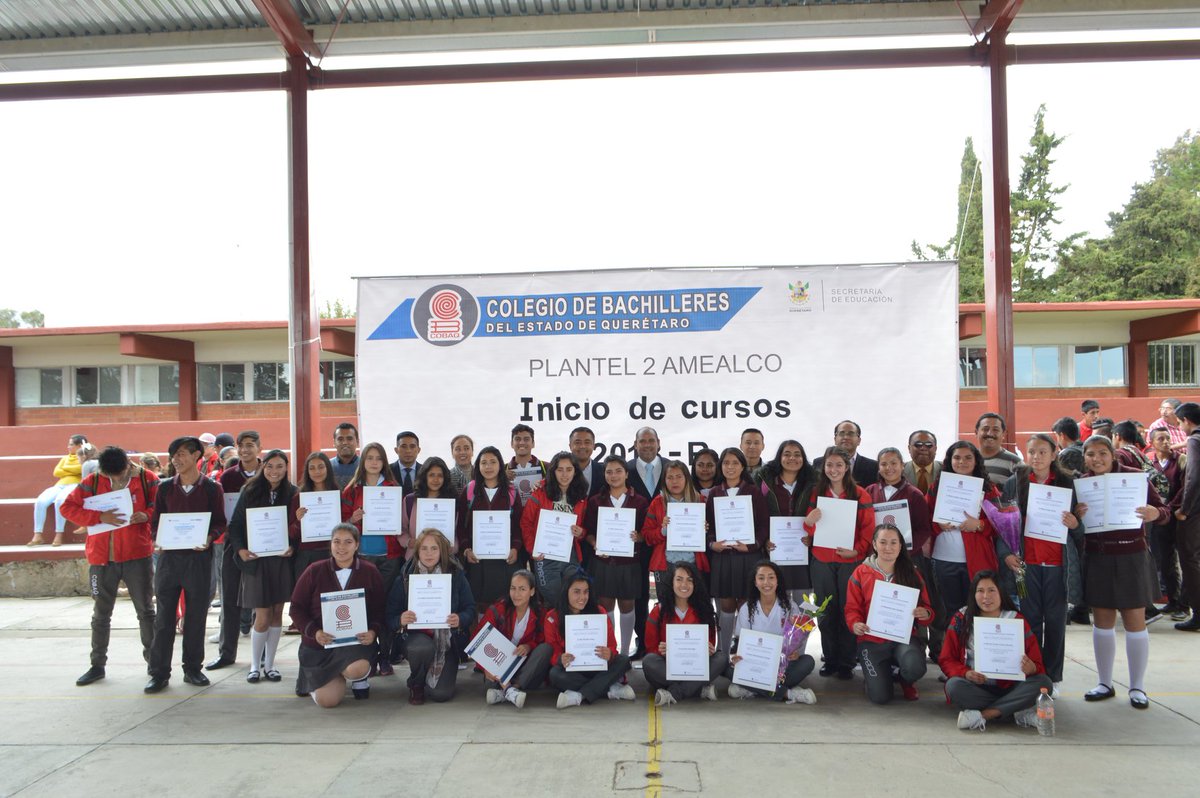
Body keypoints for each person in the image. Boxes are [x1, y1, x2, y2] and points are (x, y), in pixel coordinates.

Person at [1077, 434, 1168, 709]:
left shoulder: (1136, 477)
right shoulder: (1082, 484)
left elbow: (1164, 509)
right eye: (1091, 454)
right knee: (1102, 621)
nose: (1097, 459)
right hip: (1098, 557)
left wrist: (1155, 514)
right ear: (1085, 457)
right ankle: (1104, 682)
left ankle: (1137, 686)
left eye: (1102, 453)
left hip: (1131, 556)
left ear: (1112, 454)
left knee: (1134, 621)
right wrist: (1076, 515)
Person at [60, 446, 158, 686]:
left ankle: (155, 665)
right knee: (101, 615)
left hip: (137, 555)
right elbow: (67, 507)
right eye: (110, 476)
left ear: (128, 464)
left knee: (145, 612)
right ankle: (97, 665)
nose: (115, 479)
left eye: (119, 474)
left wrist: (146, 514)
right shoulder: (92, 481)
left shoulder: (148, 479)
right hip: (102, 558)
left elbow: (162, 506)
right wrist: (98, 518)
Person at [998, 434, 1081, 696]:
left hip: (1058, 566)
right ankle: (1035, 673)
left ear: (1054, 454)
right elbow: (1002, 524)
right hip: (1027, 567)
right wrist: (1007, 554)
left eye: (1042, 452)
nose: (1036, 457)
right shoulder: (1015, 483)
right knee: (1030, 621)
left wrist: (1075, 524)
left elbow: (1081, 530)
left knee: (1055, 622)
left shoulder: (1069, 484)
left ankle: (1053, 677)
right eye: (1032, 452)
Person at [145, 436, 226, 694]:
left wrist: (209, 538)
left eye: (181, 454)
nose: (176, 459)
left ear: (196, 457)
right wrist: (158, 538)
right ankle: (158, 673)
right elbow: (155, 522)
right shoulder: (165, 488)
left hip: (199, 560)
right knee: (164, 618)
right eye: (174, 455)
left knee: (196, 618)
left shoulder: (212, 488)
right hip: (169, 560)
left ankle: (192, 668)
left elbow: (219, 523)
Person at [940, 571, 1053, 731]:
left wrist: (1032, 668)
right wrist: (965, 673)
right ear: (973, 594)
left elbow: (1037, 665)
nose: (986, 596)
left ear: (1001, 592)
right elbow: (946, 659)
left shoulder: (1016, 620)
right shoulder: (961, 618)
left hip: (1012, 687)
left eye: (992, 590)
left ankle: (984, 715)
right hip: (977, 688)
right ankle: (1015, 710)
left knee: (1044, 683)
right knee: (953, 686)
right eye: (980, 591)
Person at [289, 523, 386, 705]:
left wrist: (373, 631)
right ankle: (315, 678)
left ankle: (357, 678)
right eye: (337, 542)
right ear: (330, 544)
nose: (341, 547)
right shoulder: (314, 571)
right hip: (320, 647)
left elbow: (379, 610)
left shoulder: (370, 572)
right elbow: (296, 608)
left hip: (355, 644)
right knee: (328, 702)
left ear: (357, 545)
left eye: (348, 542)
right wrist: (315, 632)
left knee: (357, 668)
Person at [802, 446, 875, 680]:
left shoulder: (861, 494)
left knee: (849, 609)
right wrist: (809, 522)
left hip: (849, 561)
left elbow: (868, 528)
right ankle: (830, 659)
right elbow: (809, 526)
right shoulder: (817, 492)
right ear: (824, 467)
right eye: (829, 465)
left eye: (839, 465)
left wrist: (857, 551)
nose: (834, 470)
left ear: (847, 468)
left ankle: (847, 661)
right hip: (822, 560)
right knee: (825, 610)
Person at [226, 449, 296, 683]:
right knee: (262, 615)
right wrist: (241, 550)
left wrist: (292, 546)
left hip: (281, 561)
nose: (274, 471)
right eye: (269, 466)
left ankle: (270, 665)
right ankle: (254, 665)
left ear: (286, 468)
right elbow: (235, 526)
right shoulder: (250, 491)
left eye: (279, 466)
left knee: (277, 613)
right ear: (262, 467)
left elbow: (296, 528)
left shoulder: (293, 493)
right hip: (257, 562)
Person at [845, 523, 933, 703]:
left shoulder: (912, 573)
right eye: (883, 542)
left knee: (915, 666)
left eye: (894, 542)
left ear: (901, 546)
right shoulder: (860, 573)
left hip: (903, 638)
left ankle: (905, 679)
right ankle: (878, 676)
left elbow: (928, 608)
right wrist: (855, 624)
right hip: (871, 640)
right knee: (880, 698)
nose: (888, 547)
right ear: (874, 545)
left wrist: (925, 614)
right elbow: (851, 608)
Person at [387, 529, 477, 704]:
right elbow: (390, 616)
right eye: (424, 549)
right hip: (416, 641)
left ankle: (432, 673)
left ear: (442, 551)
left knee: (441, 694)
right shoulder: (405, 578)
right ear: (417, 551)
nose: (429, 553)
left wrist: (460, 619)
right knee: (421, 647)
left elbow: (470, 609)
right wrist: (400, 620)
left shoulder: (456, 576)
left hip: (447, 644)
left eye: (434, 548)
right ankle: (417, 683)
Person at [927, 441, 1000, 654]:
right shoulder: (937, 486)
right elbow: (924, 519)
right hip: (944, 559)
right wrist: (937, 524)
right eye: (957, 457)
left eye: (968, 457)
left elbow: (1002, 525)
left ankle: (979, 659)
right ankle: (955, 659)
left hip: (977, 560)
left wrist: (979, 525)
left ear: (976, 461)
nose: (962, 462)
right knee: (952, 612)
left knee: (979, 610)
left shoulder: (988, 488)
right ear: (949, 461)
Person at [868, 447, 938, 661]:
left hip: (908, 558)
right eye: (884, 464)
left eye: (893, 463)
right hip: (878, 560)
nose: (889, 468)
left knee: (912, 604)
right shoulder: (869, 491)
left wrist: (902, 550)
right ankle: (880, 650)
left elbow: (923, 529)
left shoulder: (914, 494)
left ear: (902, 465)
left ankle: (916, 650)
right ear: (878, 467)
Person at [340, 441, 400, 675]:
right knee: (362, 609)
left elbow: (402, 522)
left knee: (384, 608)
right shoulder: (352, 490)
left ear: (384, 462)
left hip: (388, 557)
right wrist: (352, 520)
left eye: (378, 458)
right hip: (362, 557)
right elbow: (341, 526)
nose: (374, 463)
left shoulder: (394, 487)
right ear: (363, 461)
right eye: (370, 458)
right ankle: (366, 658)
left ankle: (385, 658)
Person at [706, 447, 770, 657]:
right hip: (723, 557)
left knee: (745, 605)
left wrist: (751, 546)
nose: (730, 467)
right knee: (725, 605)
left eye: (735, 463)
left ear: (743, 466)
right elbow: (706, 527)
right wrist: (712, 543)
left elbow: (763, 526)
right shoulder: (714, 493)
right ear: (720, 467)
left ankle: (745, 652)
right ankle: (722, 651)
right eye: (726, 463)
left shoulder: (753, 492)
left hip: (748, 557)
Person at [584, 455, 649, 658]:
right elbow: (587, 531)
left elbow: (647, 532)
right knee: (606, 605)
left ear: (627, 474)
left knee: (628, 605)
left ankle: (625, 652)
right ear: (604, 475)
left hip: (629, 563)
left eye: (618, 471)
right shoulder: (595, 501)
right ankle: (610, 649)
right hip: (603, 562)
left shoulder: (639, 501)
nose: (614, 475)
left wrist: (639, 536)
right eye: (609, 471)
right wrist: (594, 542)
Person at [207, 430, 261, 670]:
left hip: (263, 544)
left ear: (259, 448)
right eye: (242, 446)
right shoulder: (227, 477)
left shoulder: (270, 471)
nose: (245, 450)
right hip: (233, 543)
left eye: (250, 445)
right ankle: (226, 653)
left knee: (263, 601)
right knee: (229, 598)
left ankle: (262, 655)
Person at [726, 560, 816, 703]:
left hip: (782, 666)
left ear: (777, 580)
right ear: (755, 582)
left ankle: (752, 689)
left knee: (808, 661)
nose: (766, 582)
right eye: (761, 578)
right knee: (727, 667)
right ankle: (789, 693)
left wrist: (795, 653)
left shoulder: (789, 607)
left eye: (771, 577)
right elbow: (741, 642)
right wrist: (737, 657)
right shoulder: (746, 609)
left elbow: (797, 639)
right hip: (755, 666)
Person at [642, 560, 727, 705]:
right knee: (649, 662)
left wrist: (709, 650)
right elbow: (650, 646)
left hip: (694, 664)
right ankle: (698, 688)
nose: (684, 585)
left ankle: (675, 692)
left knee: (721, 658)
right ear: (671, 582)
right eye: (679, 579)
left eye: (689, 580)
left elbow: (711, 641)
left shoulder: (705, 611)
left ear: (695, 584)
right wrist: (660, 650)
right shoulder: (659, 611)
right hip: (668, 665)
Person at [544, 572, 634, 708]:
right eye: (576, 592)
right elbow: (552, 649)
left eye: (586, 592)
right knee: (555, 675)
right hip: (573, 669)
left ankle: (578, 695)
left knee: (624, 660)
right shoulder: (552, 617)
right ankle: (610, 689)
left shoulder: (599, 611)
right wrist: (560, 658)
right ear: (565, 592)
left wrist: (609, 654)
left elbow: (612, 645)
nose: (582, 597)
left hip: (598, 666)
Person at [457, 447, 523, 617]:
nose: (488, 466)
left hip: (504, 559)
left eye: (493, 462)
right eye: (483, 462)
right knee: (479, 606)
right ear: (477, 466)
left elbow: (518, 525)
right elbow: (460, 526)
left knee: (504, 605)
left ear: (501, 465)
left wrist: (515, 547)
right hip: (478, 560)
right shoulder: (470, 490)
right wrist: (466, 549)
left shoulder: (511, 491)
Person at [474, 569, 553, 709]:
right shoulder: (498, 609)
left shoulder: (540, 612)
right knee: (490, 684)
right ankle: (511, 691)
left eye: (522, 589)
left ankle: (509, 689)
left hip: (524, 666)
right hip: (498, 664)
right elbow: (478, 640)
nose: (516, 594)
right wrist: (485, 667)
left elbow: (543, 640)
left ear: (532, 591)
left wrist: (529, 646)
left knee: (546, 649)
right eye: (513, 588)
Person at [521, 451, 589, 606]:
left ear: (575, 471)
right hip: (545, 554)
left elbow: (585, 527)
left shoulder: (581, 496)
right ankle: (554, 627)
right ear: (553, 471)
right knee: (551, 594)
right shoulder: (540, 492)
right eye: (560, 469)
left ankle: (566, 628)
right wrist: (533, 549)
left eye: (569, 469)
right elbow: (526, 523)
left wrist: (581, 532)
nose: (564, 474)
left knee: (573, 594)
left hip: (570, 554)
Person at [625, 427, 668, 658]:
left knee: (669, 595)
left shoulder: (673, 468)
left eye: (652, 440)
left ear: (659, 443)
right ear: (635, 444)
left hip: (668, 543)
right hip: (635, 542)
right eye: (643, 441)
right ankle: (642, 643)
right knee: (639, 594)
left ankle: (668, 643)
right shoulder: (626, 470)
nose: (648, 445)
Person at [759, 439, 817, 600]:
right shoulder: (764, 481)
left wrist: (813, 537)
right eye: (787, 454)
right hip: (775, 550)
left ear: (803, 458)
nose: (792, 458)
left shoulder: (814, 482)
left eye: (797, 454)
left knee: (802, 603)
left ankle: (799, 627)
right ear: (779, 457)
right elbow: (757, 514)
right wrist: (765, 540)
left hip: (803, 551)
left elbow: (821, 514)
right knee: (778, 601)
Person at [642, 460, 709, 594]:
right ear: (664, 480)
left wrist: (706, 530)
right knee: (666, 609)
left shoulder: (700, 500)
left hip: (693, 562)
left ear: (687, 478)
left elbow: (714, 535)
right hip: (665, 564)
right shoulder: (657, 502)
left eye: (679, 476)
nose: (674, 481)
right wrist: (662, 531)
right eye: (670, 477)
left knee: (696, 608)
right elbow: (646, 535)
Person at [1148, 428, 1188, 621]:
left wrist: (1170, 508)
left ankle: (1184, 604)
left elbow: (1184, 488)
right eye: (1160, 439)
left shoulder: (1180, 461)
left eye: (1168, 438)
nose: (1165, 442)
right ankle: (1172, 600)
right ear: (1152, 442)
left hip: (1176, 516)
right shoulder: (1150, 462)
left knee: (1184, 561)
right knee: (1165, 560)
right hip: (1158, 519)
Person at [28, 433, 86, 547]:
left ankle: (59, 534)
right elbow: (56, 472)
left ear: (79, 446)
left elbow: (80, 469)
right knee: (40, 501)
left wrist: (65, 469)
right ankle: (37, 534)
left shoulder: (85, 457)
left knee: (60, 501)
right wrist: (73, 470)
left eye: (71, 445)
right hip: (59, 485)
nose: (68, 447)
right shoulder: (65, 458)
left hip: (74, 485)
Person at [288, 452, 338, 584]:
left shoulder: (337, 495)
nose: (317, 471)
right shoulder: (299, 498)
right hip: (307, 556)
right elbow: (291, 534)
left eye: (321, 467)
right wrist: (298, 521)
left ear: (328, 468)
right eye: (312, 468)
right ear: (307, 472)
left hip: (333, 553)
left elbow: (344, 525)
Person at [1172, 402, 1200, 632]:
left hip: (1195, 512)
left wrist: (1184, 509)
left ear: (1187, 421)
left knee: (1190, 561)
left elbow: (1193, 478)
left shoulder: (1194, 440)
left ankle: (1197, 613)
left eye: (1180, 423)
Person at [398, 457, 458, 562]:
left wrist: (452, 546)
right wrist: (408, 541)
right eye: (431, 475)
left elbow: (456, 532)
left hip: (443, 560)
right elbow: (401, 528)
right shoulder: (410, 500)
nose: (436, 479)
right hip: (415, 559)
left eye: (440, 475)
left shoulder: (451, 502)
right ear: (424, 477)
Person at [813, 420, 879, 487]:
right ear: (835, 439)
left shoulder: (873, 467)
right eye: (842, 433)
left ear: (859, 440)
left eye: (851, 434)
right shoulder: (818, 463)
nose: (846, 437)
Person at [975, 413, 1021, 487]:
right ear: (976, 432)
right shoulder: (967, 460)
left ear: (1003, 434)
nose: (990, 433)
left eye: (995, 430)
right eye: (985, 429)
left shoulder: (1015, 463)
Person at [506, 424, 547, 503]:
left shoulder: (547, 467)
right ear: (512, 443)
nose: (521, 442)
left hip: (538, 514)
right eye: (517, 439)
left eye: (526, 439)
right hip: (513, 515)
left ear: (533, 443)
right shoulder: (502, 470)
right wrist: (500, 479)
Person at [569, 426, 606, 498]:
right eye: (578, 442)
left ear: (593, 446)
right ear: (570, 446)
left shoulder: (603, 471)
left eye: (587, 442)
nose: (582, 446)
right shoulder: (559, 471)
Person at [903, 430, 940, 494]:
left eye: (929, 445)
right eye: (918, 445)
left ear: (935, 449)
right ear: (909, 448)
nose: (923, 448)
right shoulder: (899, 471)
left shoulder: (946, 470)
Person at [331, 422, 360, 488]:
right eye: (340, 439)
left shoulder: (365, 465)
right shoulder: (327, 466)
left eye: (349, 439)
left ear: (357, 441)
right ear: (334, 443)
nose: (345, 443)